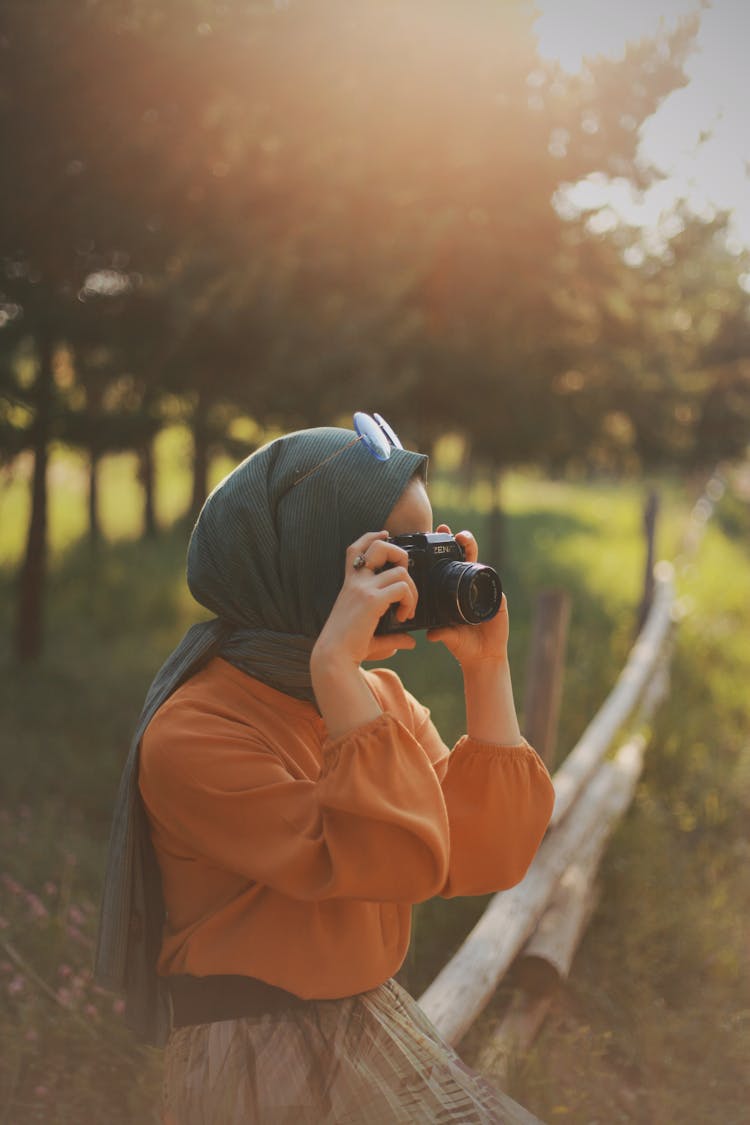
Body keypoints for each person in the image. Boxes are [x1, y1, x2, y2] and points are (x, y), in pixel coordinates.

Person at [95, 415, 555, 1124]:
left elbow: (483, 854)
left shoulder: (374, 701)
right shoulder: (193, 732)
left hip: (369, 1024)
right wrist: (338, 665)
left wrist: (488, 669)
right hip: (256, 1062)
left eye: (427, 550)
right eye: (390, 555)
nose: (418, 578)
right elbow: (390, 861)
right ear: (309, 562)